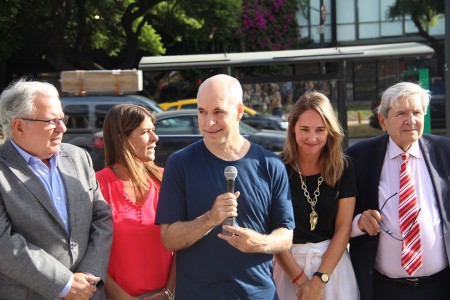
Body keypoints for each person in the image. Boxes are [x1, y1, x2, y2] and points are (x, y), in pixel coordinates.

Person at [155, 74, 295, 299]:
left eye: (218, 112)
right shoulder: (180, 163)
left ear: (239, 111)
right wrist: (209, 219)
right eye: (202, 112)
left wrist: (261, 243)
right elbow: (168, 238)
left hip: (257, 295)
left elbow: (286, 235)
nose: (208, 122)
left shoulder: (271, 165)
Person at [0, 78, 112, 300]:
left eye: (62, 119)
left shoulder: (79, 157)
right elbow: (4, 244)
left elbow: (102, 217)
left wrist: (88, 276)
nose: (63, 128)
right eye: (52, 121)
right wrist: (65, 284)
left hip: (88, 292)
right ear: (19, 126)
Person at [347, 81, 450, 300]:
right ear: (383, 121)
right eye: (401, 113)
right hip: (385, 289)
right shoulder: (358, 157)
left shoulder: (445, 153)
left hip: (441, 286)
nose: (411, 121)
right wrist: (359, 223)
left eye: (417, 112)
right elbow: (334, 217)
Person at [273, 91, 359, 300]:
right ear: (293, 127)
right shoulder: (276, 168)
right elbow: (273, 230)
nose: (312, 138)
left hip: (333, 269)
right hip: (288, 271)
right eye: (304, 129)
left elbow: (343, 228)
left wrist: (319, 281)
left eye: (320, 130)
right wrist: (302, 282)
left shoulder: (343, 168)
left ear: (329, 131)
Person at [96, 104, 175, 300]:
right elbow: (90, 254)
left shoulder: (167, 181)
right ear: (122, 138)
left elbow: (183, 244)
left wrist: (169, 293)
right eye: (146, 132)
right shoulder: (96, 186)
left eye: (153, 131)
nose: (155, 138)